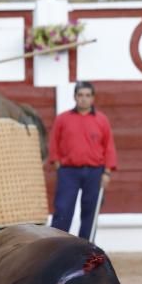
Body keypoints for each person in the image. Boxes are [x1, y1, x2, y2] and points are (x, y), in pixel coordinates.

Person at [48, 81, 117, 240]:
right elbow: (54, 143)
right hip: (68, 171)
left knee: (90, 212)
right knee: (63, 210)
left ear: (93, 98)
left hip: (95, 172)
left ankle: (86, 251)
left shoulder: (101, 120)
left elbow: (109, 146)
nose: (83, 99)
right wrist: (57, 164)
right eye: (80, 95)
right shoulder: (62, 119)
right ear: (74, 97)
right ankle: (56, 246)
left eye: (87, 95)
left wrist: (107, 172)